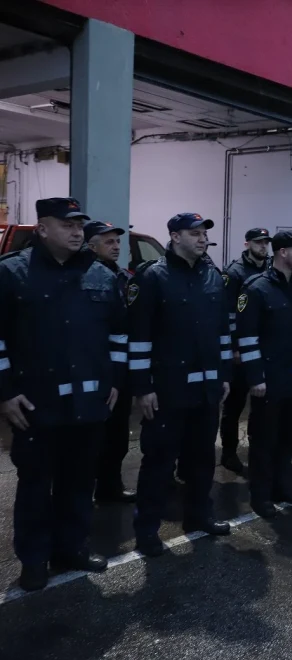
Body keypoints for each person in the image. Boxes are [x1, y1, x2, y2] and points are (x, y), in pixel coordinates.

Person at [0, 197, 127, 591]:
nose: (76, 232)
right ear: (42, 228)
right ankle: (34, 560)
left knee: (79, 481)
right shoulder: (12, 273)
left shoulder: (101, 275)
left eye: (79, 225)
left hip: (88, 404)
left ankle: (71, 548)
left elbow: (119, 335)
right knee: (36, 484)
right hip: (35, 404)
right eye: (67, 225)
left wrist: (116, 381)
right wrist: (5, 393)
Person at [129, 213, 233, 557]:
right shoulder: (152, 277)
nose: (203, 239)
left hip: (205, 390)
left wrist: (224, 375)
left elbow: (222, 332)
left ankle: (199, 516)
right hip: (167, 392)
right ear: (175, 236)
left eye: (204, 234)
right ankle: (146, 530)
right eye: (194, 233)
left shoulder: (213, 276)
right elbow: (139, 336)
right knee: (159, 464)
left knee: (202, 460)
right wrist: (142, 387)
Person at [235, 231, 292, 518]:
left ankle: (284, 487)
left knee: (289, 439)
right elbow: (247, 337)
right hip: (270, 379)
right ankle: (261, 496)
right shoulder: (256, 288)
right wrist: (255, 377)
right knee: (265, 441)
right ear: (283, 252)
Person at [83, 220, 137, 505]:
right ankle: (81, 493)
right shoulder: (84, 275)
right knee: (90, 438)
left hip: (120, 367)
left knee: (117, 435)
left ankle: (110, 487)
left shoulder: (123, 277)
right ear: (91, 246)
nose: (116, 247)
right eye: (109, 242)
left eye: (118, 242)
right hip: (93, 367)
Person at [219, 228, 271, 474]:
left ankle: (257, 451)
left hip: (263, 349)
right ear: (247, 244)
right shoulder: (234, 272)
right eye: (258, 242)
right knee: (234, 406)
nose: (263, 246)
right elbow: (228, 314)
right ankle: (229, 453)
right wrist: (234, 347)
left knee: (261, 406)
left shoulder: (269, 269)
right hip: (241, 350)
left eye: (265, 242)